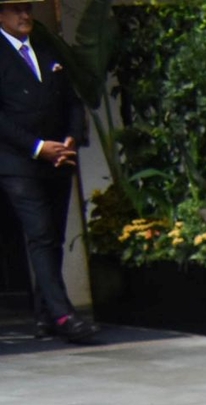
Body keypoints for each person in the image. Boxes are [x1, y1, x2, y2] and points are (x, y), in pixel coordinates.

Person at [0, 0, 94, 344]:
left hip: (59, 157)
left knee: (52, 235)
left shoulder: (43, 46)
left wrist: (69, 138)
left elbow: (71, 99)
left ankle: (45, 315)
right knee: (39, 233)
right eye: (15, 10)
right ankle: (63, 314)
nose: (25, 16)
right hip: (18, 162)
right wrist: (38, 147)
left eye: (27, 8)